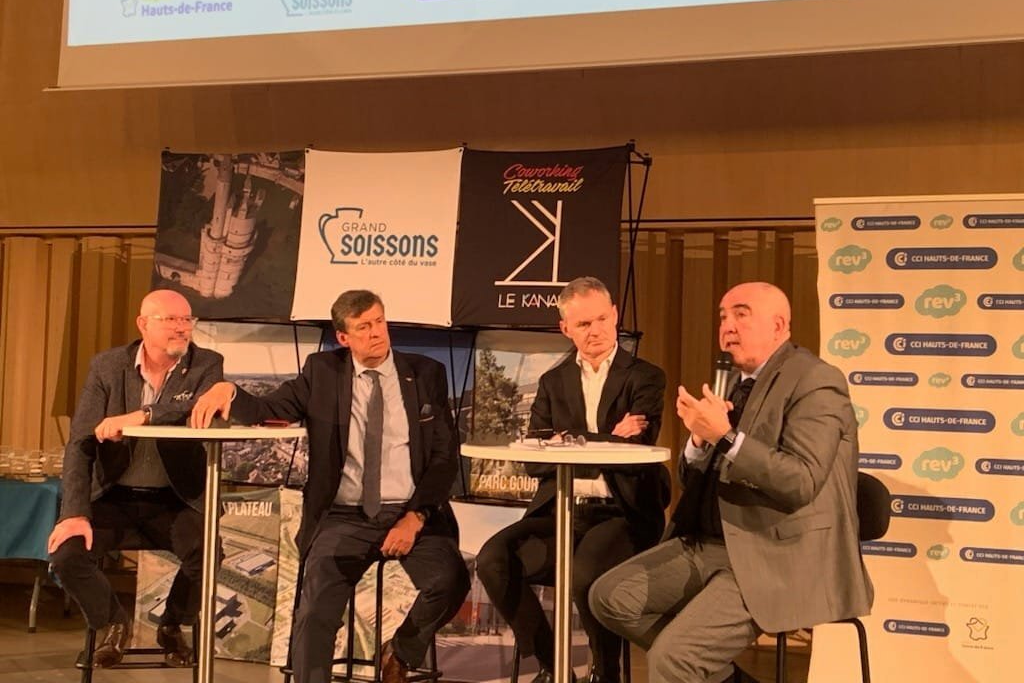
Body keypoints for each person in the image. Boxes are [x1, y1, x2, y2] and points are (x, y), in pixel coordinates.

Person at [589, 281, 873, 683]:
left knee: (673, 658)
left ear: (779, 326)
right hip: (711, 544)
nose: (728, 326)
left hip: (775, 553)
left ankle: (686, 663)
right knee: (609, 597)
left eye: (742, 314)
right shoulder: (737, 385)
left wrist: (725, 436)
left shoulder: (816, 381)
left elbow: (801, 481)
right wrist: (698, 441)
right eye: (723, 316)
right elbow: (692, 481)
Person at [191, 289, 470, 683]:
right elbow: (267, 409)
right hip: (344, 516)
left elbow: (444, 456)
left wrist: (415, 517)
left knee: (451, 581)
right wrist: (228, 390)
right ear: (343, 337)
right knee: (315, 611)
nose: (376, 333)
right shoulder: (322, 372)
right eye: (363, 327)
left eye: (379, 321)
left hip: (411, 512)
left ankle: (401, 651)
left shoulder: (425, 373)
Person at [476, 277, 669, 683]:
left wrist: (567, 442)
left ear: (615, 315)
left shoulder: (646, 376)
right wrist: (609, 438)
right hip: (561, 511)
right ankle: (554, 666)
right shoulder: (553, 382)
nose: (595, 330)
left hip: (621, 513)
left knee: (586, 575)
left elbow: (635, 451)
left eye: (601, 319)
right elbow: (536, 462)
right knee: (494, 559)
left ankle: (605, 673)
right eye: (583, 324)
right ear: (565, 328)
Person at [48, 289, 223, 668]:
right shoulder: (108, 366)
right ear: (143, 324)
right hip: (114, 496)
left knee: (209, 554)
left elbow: (192, 409)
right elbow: (80, 442)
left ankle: (172, 625)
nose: (182, 327)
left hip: (174, 499)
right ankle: (113, 623)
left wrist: (142, 416)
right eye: (171, 319)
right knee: (66, 555)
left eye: (187, 319)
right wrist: (74, 513)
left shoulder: (206, 364)